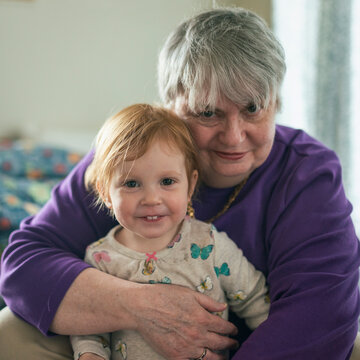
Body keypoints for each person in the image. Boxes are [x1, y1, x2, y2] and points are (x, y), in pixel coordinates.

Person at [0, 6, 359, 360]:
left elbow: (319, 314)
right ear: (170, 106)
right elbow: (23, 264)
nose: (234, 137)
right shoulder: (127, 158)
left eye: (253, 108)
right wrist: (139, 306)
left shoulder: (308, 173)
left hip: (267, 345)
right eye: (207, 112)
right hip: (130, 345)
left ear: (276, 103)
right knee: (9, 333)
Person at [70, 103, 269, 360]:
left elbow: (257, 303)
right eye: (131, 183)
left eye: (167, 182)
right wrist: (90, 353)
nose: (152, 198)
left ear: (190, 185)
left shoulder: (209, 244)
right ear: (106, 192)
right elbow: (90, 326)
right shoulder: (100, 258)